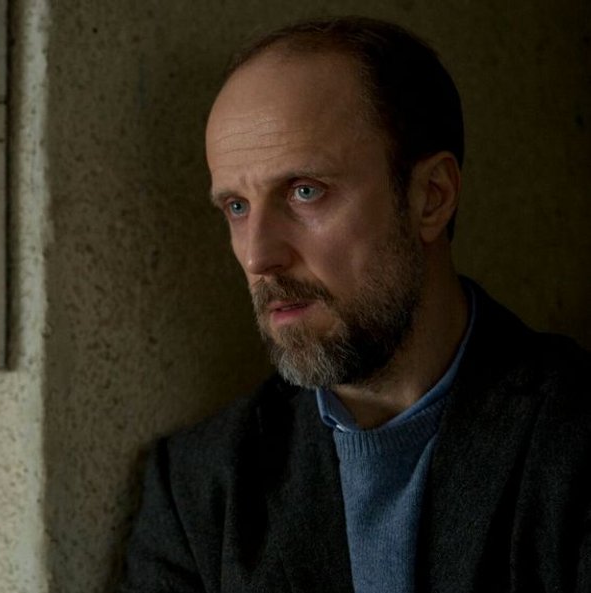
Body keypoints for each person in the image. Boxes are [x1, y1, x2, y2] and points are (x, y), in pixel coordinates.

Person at [119, 16, 591, 593]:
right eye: (236, 207)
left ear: (431, 197)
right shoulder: (198, 489)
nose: (258, 256)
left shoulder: (574, 440)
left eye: (305, 191)